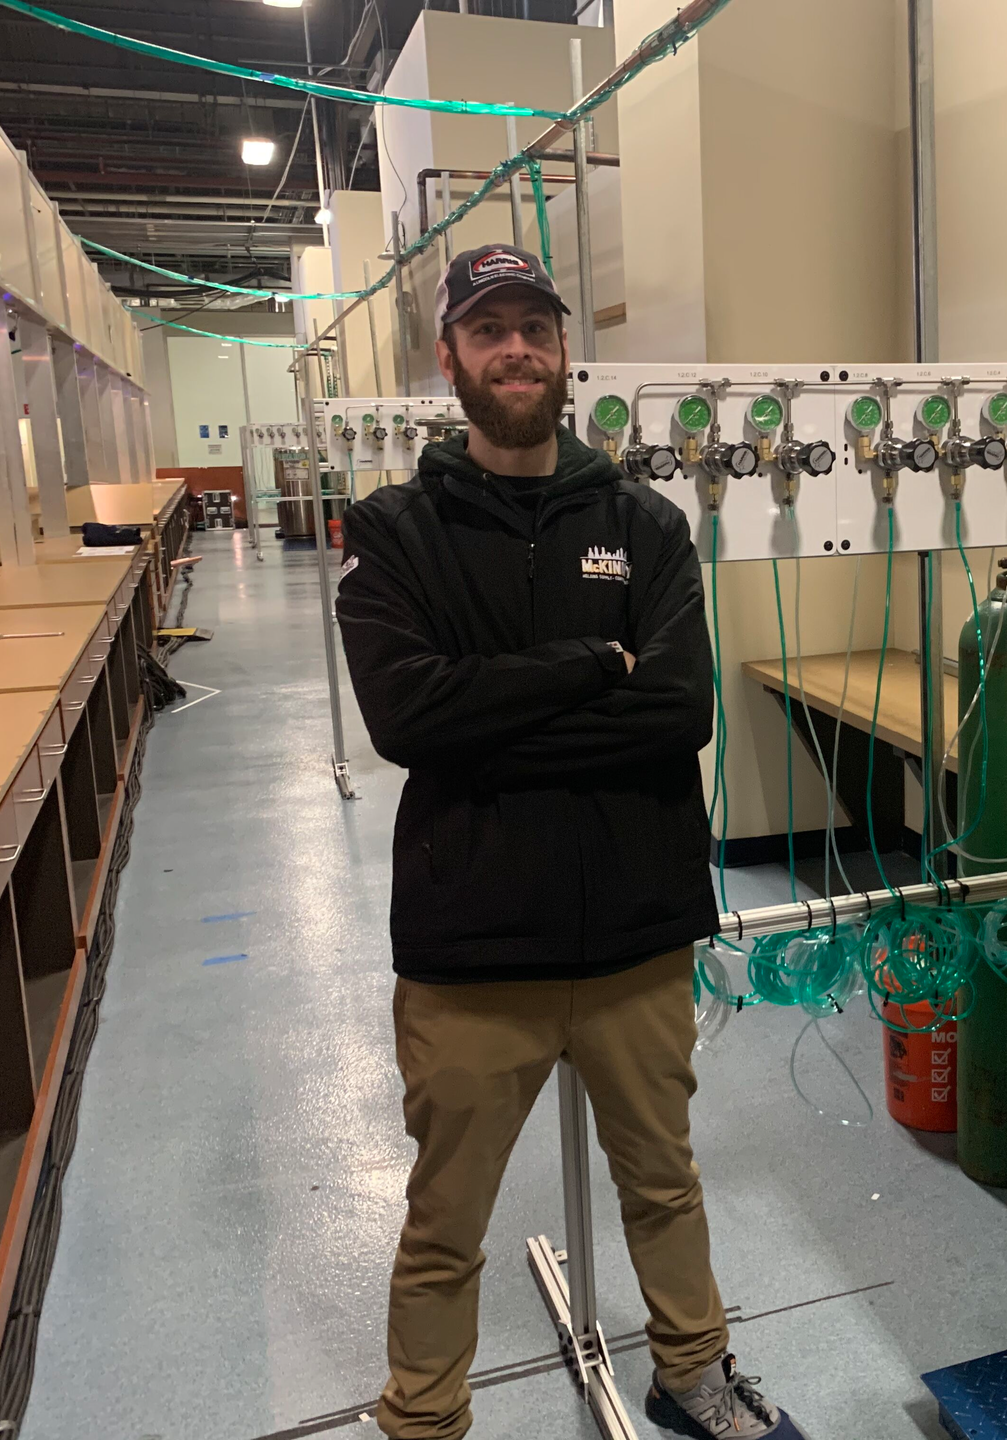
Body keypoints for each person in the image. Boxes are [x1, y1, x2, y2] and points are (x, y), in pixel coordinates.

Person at [337, 244, 801, 1440]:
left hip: (633, 937)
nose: (516, 349)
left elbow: (679, 710)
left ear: (563, 352)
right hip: (472, 950)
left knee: (664, 1181)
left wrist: (492, 714)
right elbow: (408, 720)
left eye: (533, 326)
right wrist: (593, 667)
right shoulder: (397, 534)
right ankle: (425, 1419)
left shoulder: (644, 524)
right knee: (446, 1220)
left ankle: (691, 1372)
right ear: (449, 359)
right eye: (488, 329)